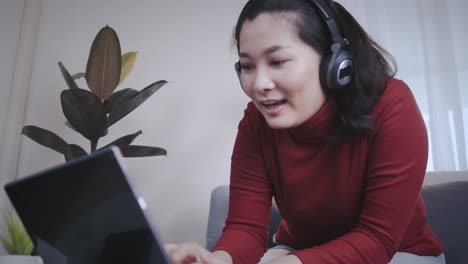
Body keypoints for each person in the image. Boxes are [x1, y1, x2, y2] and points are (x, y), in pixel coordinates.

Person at [165, 0, 445, 263]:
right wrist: (216, 260)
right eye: (248, 66)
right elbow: (245, 228)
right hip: (299, 252)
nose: (259, 84)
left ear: (336, 63)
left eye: (277, 61)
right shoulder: (256, 122)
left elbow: (377, 238)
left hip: (399, 253)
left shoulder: (391, 104)